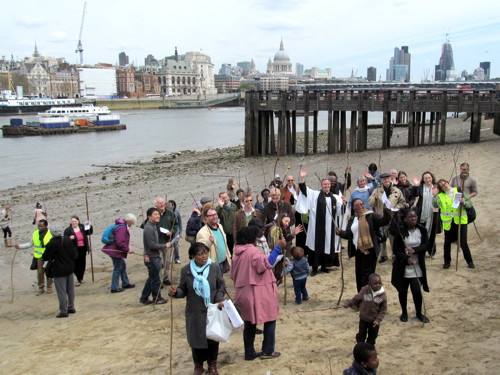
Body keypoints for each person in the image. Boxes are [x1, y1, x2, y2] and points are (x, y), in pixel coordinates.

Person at [168, 242, 226, 375]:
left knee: (212, 339)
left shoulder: (214, 267)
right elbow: (183, 290)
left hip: (211, 309)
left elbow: (220, 286)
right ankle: (198, 366)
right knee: (196, 340)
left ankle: (212, 364)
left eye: (205, 252)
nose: (204, 256)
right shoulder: (186, 271)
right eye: (200, 254)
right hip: (194, 310)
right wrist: (175, 292)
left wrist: (219, 299)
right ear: (193, 256)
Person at [230, 226, 284, 361]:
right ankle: (268, 350)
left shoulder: (236, 253)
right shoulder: (252, 252)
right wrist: (278, 248)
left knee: (249, 324)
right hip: (258, 292)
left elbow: (232, 274)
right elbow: (267, 262)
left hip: (243, 293)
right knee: (270, 319)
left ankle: (249, 352)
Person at [336, 198, 391, 292]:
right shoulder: (353, 219)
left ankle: (367, 297)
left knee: (367, 275)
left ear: (363, 205)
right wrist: (340, 232)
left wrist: (386, 211)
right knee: (359, 274)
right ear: (353, 207)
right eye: (356, 205)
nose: (359, 206)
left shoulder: (371, 216)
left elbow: (384, 221)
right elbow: (349, 234)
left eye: (361, 204)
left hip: (370, 250)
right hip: (358, 250)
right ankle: (361, 296)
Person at [296, 167, 342, 276]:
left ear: (330, 186)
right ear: (321, 186)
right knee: (316, 246)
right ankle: (315, 268)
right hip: (316, 227)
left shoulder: (335, 197)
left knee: (327, 244)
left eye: (328, 184)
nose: (326, 186)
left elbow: (340, 212)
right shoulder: (315, 195)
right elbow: (304, 189)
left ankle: (325, 266)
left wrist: (343, 203)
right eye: (324, 184)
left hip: (329, 227)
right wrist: (302, 178)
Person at [391, 208, 430, 323]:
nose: (413, 219)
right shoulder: (400, 232)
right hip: (403, 266)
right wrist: (406, 258)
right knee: (402, 291)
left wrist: (416, 250)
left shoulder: (421, 230)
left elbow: (426, 245)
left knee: (417, 291)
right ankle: (404, 312)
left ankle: (419, 312)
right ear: (405, 219)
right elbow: (396, 250)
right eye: (410, 217)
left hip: (417, 266)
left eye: (415, 217)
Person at [433, 179, 475, 269]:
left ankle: (470, 261)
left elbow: (469, 203)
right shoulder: (440, 196)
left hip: (460, 221)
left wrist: (464, 202)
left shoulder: (459, 190)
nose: (445, 185)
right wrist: (435, 196)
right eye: (442, 185)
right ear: (441, 188)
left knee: (463, 242)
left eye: (445, 183)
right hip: (448, 222)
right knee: (447, 243)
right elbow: (436, 205)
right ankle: (447, 262)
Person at [368, 172, 406, 263]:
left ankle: (394, 254)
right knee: (382, 237)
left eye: (388, 178)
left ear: (390, 179)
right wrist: (376, 199)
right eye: (384, 179)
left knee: (393, 237)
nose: (386, 180)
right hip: (381, 217)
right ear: (381, 180)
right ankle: (383, 255)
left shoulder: (396, 191)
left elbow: (402, 202)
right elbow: (370, 203)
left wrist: (397, 208)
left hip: (393, 217)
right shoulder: (377, 191)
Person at [42, 223, 78, 318]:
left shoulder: (51, 243)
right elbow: (74, 253)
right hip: (69, 267)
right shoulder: (66, 239)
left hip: (59, 270)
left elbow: (45, 256)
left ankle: (63, 311)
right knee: (70, 289)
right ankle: (71, 307)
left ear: (52, 233)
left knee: (61, 291)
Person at [342, 273, 387, 346]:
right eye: (375, 283)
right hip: (363, 318)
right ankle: (361, 347)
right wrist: (349, 304)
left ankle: (369, 349)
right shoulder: (365, 290)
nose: (378, 285)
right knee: (361, 335)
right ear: (369, 284)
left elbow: (383, 309)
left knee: (372, 337)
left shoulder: (383, 296)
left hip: (374, 321)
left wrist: (378, 320)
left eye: (379, 283)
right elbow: (357, 298)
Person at [139, 207, 170, 305]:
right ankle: (157, 298)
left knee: (152, 278)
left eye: (158, 214)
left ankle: (144, 298)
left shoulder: (153, 226)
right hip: (152, 257)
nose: (158, 216)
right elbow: (151, 245)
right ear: (149, 217)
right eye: (155, 214)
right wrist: (164, 245)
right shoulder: (148, 228)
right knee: (156, 280)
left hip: (154, 256)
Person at [16, 219, 53, 295]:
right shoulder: (35, 233)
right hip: (39, 256)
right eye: (38, 226)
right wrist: (20, 246)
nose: (39, 227)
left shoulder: (50, 233)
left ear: (45, 226)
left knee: (49, 272)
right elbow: (30, 243)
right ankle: (41, 287)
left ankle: (49, 287)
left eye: (41, 226)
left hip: (48, 256)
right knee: (40, 273)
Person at [102, 214, 137, 293]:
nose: (133, 224)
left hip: (114, 250)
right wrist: (128, 250)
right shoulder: (122, 228)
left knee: (122, 266)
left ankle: (125, 283)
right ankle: (114, 287)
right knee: (117, 268)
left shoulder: (121, 226)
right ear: (129, 221)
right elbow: (120, 242)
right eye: (132, 222)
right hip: (115, 251)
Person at [267, 212, 303, 282]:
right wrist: (283, 259)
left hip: (279, 257)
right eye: (285, 221)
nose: (287, 224)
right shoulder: (276, 229)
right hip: (275, 259)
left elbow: (285, 241)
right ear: (280, 219)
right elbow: (276, 246)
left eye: (288, 222)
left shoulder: (281, 229)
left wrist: (293, 234)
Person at [412, 171, 440, 257]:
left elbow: (440, 201)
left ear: (432, 178)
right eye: (426, 178)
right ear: (423, 180)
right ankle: (422, 251)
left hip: (433, 214)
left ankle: (432, 251)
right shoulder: (420, 187)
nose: (428, 179)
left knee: (432, 234)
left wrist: (435, 195)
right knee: (421, 233)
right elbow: (414, 194)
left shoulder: (436, 187)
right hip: (422, 214)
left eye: (429, 177)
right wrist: (416, 186)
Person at [196, 208, 232, 273]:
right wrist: (209, 241)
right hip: (212, 264)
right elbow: (200, 250)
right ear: (206, 218)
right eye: (211, 215)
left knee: (220, 281)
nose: (214, 217)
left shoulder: (220, 226)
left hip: (223, 261)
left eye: (215, 214)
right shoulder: (202, 232)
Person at [155, 197, 178, 286]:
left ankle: (166, 278)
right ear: (156, 205)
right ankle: (159, 281)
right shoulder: (154, 214)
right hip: (158, 242)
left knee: (167, 262)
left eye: (163, 203)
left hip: (167, 241)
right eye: (159, 203)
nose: (162, 204)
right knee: (159, 263)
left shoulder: (170, 213)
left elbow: (175, 225)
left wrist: (171, 232)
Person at [64, 215, 93, 286]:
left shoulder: (82, 227)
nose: (73, 223)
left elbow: (89, 233)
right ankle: (78, 277)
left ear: (78, 221)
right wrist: (69, 238)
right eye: (72, 221)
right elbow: (65, 240)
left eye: (75, 221)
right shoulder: (68, 230)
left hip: (83, 248)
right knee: (75, 265)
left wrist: (90, 226)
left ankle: (80, 278)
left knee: (82, 263)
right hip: (74, 249)